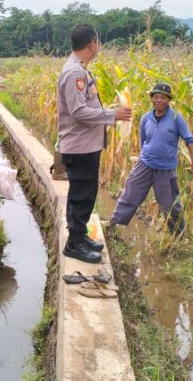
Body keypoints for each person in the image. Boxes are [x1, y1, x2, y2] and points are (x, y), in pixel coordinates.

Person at [57, 24, 133, 264]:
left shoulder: (79, 69)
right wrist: (112, 115)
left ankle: (79, 236)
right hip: (80, 147)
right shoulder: (75, 73)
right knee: (81, 195)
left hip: (85, 146)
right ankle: (74, 244)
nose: (98, 47)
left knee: (85, 193)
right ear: (92, 44)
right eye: (97, 43)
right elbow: (78, 111)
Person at [108, 83, 193, 235]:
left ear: (169, 100)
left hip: (165, 169)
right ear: (151, 99)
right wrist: (144, 157)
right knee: (129, 194)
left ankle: (178, 236)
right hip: (144, 165)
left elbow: (190, 141)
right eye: (155, 97)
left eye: (163, 98)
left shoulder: (176, 118)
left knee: (171, 205)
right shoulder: (146, 118)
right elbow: (144, 141)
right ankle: (113, 226)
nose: (158, 100)